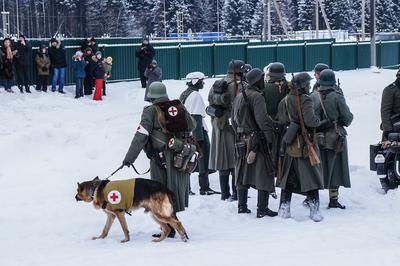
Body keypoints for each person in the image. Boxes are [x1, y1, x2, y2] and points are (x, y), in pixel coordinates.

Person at [123, 81, 196, 238]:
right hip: (179, 156)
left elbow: (141, 135)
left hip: (160, 159)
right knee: (173, 191)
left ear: (151, 96)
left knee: (160, 194)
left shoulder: (150, 111)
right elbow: (192, 125)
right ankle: (172, 227)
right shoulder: (178, 107)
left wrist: (129, 159)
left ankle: (170, 229)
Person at [276, 72, 324, 222]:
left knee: (288, 178)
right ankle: (315, 212)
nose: (310, 85)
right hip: (305, 144)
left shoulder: (284, 100)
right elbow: (311, 121)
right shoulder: (305, 99)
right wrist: (318, 121)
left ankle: (284, 209)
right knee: (311, 177)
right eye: (307, 83)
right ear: (303, 85)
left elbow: (281, 120)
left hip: (290, 143)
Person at [232, 68, 277, 218]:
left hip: (241, 138)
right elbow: (263, 121)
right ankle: (262, 209)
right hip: (255, 139)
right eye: (262, 78)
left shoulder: (239, 96)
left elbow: (233, 120)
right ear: (257, 80)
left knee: (242, 172)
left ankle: (242, 206)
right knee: (264, 172)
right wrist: (269, 139)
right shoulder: (257, 96)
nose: (264, 80)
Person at [314, 69, 353, 209]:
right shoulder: (337, 96)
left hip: (317, 137)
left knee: (317, 168)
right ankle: (333, 200)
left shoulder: (313, 95)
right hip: (335, 136)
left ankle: (312, 199)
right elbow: (347, 119)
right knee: (335, 168)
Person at [208, 60, 246, 201]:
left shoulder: (217, 84)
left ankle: (225, 194)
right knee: (236, 159)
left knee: (223, 160)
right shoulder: (241, 85)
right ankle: (236, 194)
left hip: (219, 126)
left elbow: (210, 103)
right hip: (235, 127)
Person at [180, 72, 217, 195]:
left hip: (187, 132)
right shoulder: (195, 95)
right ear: (195, 81)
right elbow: (196, 117)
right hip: (197, 133)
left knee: (188, 159)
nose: (203, 83)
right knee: (202, 159)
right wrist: (199, 139)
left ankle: (188, 188)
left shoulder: (185, 93)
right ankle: (204, 187)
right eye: (202, 80)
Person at [263, 62, 290, 169]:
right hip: (288, 123)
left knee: (272, 149)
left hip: (271, 123)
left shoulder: (264, 88)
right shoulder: (290, 86)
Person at [379, 68, 400, 190]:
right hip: (394, 127)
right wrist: (388, 130)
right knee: (389, 151)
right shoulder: (390, 90)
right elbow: (385, 111)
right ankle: (388, 177)